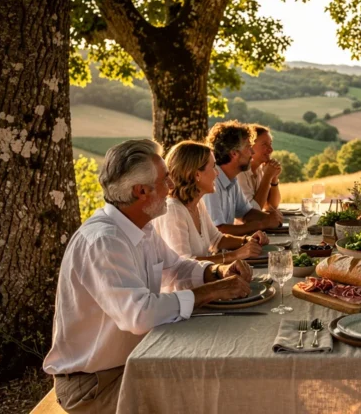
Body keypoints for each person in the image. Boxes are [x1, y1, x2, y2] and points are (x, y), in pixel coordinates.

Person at [43, 139, 255, 414]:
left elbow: (177, 267)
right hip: (95, 384)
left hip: (136, 360)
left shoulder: (141, 227)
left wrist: (216, 272)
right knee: (205, 396)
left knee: (216, 376)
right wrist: (212, 292)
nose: (171, 186)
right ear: (141, 191)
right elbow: (139, 314)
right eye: (165, 179)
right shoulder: (104, 241)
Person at [154, 140, 270, 264]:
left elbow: (217, 239)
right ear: (197, 174)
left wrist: (247, 240)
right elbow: (184, 263)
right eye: (213, 166)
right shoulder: (174, 210)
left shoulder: (197, 203)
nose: (217, 172)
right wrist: (237, 254)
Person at [203, 120, 283, 236]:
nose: (252, 152)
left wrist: (271, 218)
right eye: (248, 147)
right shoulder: (213, 182)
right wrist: (262, 224)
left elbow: (246, 213)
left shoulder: (231, 179)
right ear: (234, 153)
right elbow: (219, 231)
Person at [237, 124, 282, 211]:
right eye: (264, 144)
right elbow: (253, 211)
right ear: (250, 146)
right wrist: (267, 176)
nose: (271, 149)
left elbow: (272, 206)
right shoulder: (239, 173)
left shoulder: (260, 169)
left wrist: (274, 179)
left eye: (270, 144)